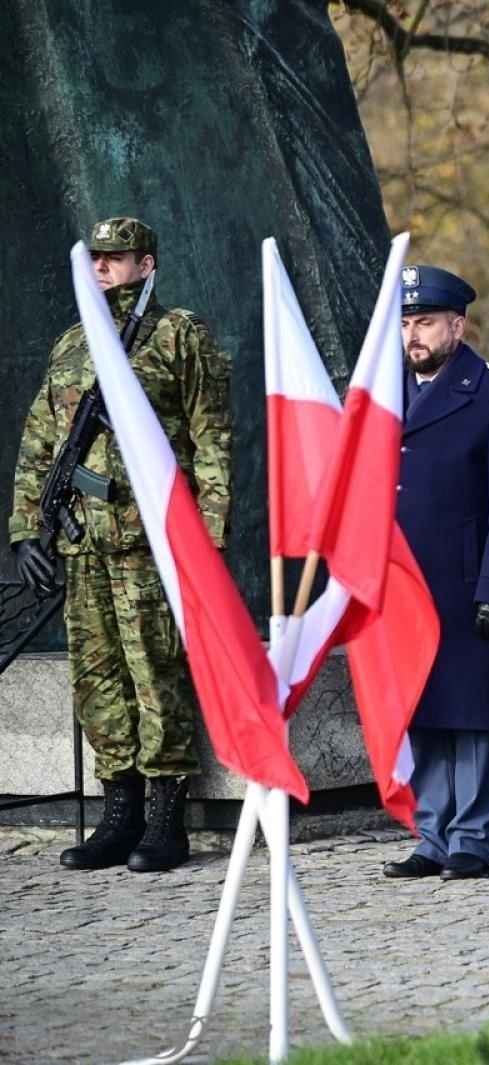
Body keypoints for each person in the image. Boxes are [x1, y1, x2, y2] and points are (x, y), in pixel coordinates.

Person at [8, 216, 231, 873]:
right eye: (98, 255)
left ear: (147, 263)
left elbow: (212, 440)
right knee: (98, 680)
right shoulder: (74, 343)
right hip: (83, 547)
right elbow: (38, 444)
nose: (104, 265)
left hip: (149, 541)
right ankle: (119, 812)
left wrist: (208, 542)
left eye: (118, 256)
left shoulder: (177, 335)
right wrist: (27, 530)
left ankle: (166, 821)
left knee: (154, 670)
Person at [382, 264, 489, 882]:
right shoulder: (379, 390)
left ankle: (474, 836)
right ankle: (432, 833)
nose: (414, 335)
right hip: (401, 581)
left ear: (458, 325)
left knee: (473, 713)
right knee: (420, 707)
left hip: (468, 578)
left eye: (425, 323)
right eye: (407, 324)